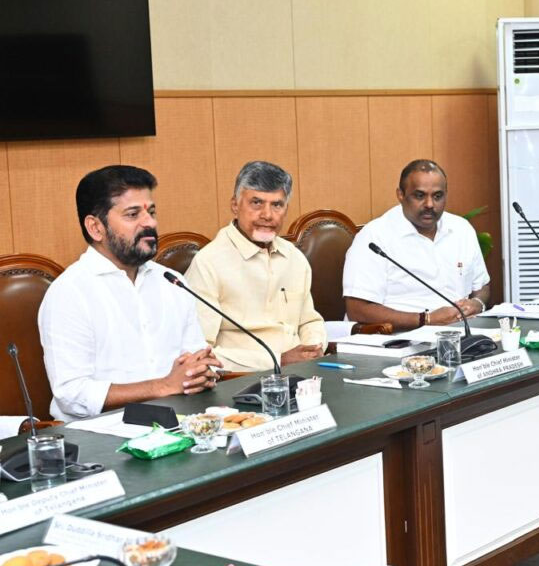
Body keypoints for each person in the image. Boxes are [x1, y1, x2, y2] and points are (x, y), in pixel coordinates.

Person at [38, 166, 220, 421]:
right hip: (100, 438)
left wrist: (201, 371)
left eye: (151, 212)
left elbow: (195, 359)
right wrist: (164, 386)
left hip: (182, 421)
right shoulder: (69, 294)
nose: (150, 223)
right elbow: (71, 395)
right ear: (95, 228)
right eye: (133, 214)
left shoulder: (172, 282)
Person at [185, 161, 326, 372]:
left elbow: (309, 321)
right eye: (257, 203)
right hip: (241, 382)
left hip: (304, 374)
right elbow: (199, 352)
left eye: (277, 205)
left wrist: (313, 349)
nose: (267, 215)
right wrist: (277, 360)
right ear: (235, 205)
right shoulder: (209, 263)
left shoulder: (295, 258)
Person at [344, 159, 490, 331]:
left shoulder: (461, 229)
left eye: (437, 196)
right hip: (397, 338)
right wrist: (426, 319)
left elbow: (481, 286)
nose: (429, 204)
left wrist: (477, 303)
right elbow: (357, 310)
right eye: (419, 196)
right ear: (400, 195)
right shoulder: (374, 238)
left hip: (459, 333)